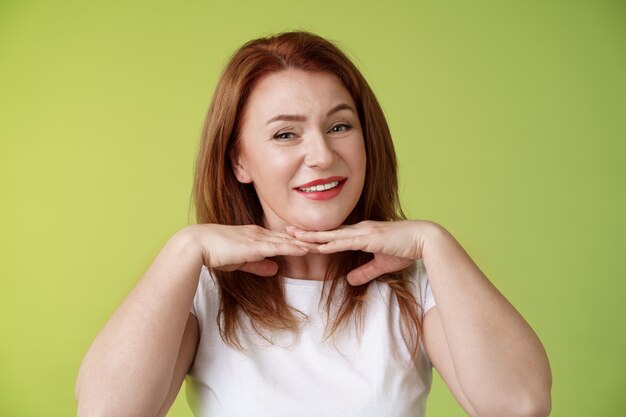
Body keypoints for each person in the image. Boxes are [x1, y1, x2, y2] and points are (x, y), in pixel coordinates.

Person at [75, 31, 552, 417]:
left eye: (340, 126)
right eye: (286, 134)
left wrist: (435, 242)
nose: (323, 156)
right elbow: (105, 410)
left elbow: (519, 405)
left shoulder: (415, 283)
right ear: (239, 161)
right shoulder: (203, 290)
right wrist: (183, 249)